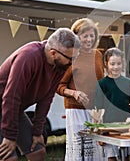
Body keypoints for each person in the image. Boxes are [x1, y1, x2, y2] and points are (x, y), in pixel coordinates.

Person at [0, 28, 80, 161]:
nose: (72, 63)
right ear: (53, 53)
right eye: (70, 59)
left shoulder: (59, 66)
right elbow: (11, 98)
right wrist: (10, 136)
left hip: (14, 109)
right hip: (7, 103)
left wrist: (37, 132)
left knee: (38, 152)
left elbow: (46, 99)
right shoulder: (28, 57)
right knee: (9, 157)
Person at [56, 18, 104, 161]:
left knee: (96, 150)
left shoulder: (98, 55)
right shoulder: (70, 56)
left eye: (91, 35)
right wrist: (74, 93)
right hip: (76, 111)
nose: (89, 39)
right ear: (76, 37)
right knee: (79, 152)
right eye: (85, 36)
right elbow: (58, 86)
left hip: (95, 111)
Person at [95, 47, 130, 161]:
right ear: (106, 64)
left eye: (118, 63)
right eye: (112, 64)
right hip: (109, 128)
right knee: (111, 157)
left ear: (122, 63)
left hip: (126, 127)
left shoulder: (128, 83)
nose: (115, 67)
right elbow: (97, 110)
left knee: (126, 157)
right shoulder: (102, 84)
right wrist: (100, 132)